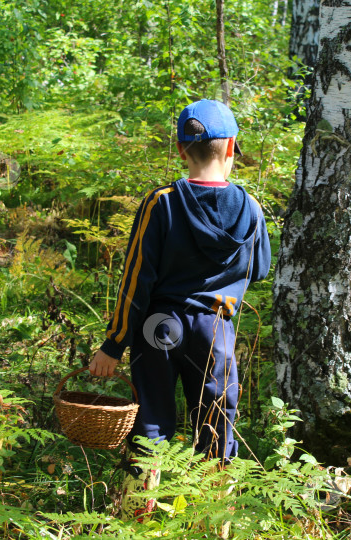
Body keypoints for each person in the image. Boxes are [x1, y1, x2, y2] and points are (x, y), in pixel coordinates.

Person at [87, 99, 271, 521]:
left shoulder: (162, 202)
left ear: (180, 148)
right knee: (215, 420)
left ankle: (137, 517)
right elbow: (258, 269)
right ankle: (213, 519)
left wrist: (114, 344)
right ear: (231, 148)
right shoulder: (250, 208)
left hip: (158, 327)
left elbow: (136, 278)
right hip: (216, 328)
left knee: (151, 421)